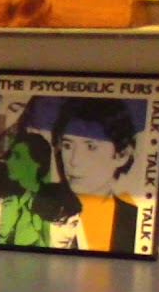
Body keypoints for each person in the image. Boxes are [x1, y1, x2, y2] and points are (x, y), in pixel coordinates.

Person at [50, 96, 139, 254]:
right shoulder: (36, 206)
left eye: (91, 147)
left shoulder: (135, 220)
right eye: (67, 145)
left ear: (122, 155)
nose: (74, 161)